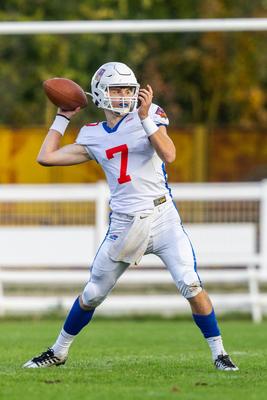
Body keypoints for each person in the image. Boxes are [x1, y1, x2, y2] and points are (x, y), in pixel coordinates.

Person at [23, 62, 238, 371]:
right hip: (124, 222)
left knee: (190, 284)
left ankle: (220, 353)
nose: (123, 96)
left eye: (128, 89)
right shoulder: (93, 135)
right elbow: (45, 157)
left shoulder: (149, 114)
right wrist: (63, 116)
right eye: (116, 90)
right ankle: (58, 351)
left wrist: (145, 120)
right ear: (99, 93)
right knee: (92, 294)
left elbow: (169, 154)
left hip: (162, 216)